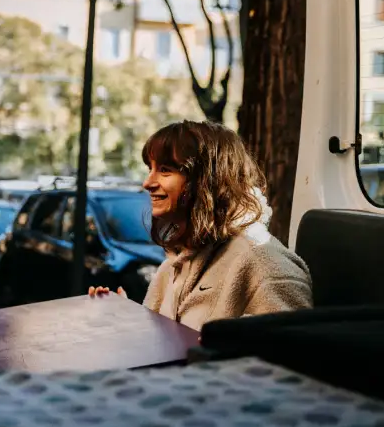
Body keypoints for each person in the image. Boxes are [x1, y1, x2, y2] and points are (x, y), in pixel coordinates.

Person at [90, 120, 312, 331]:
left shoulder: (266, 263)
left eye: (165, 169)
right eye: (150, 168)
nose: (147, 182)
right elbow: (161, 345)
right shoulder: (174, 264)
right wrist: (123, 319)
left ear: (207, 178)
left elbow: (289, 356)